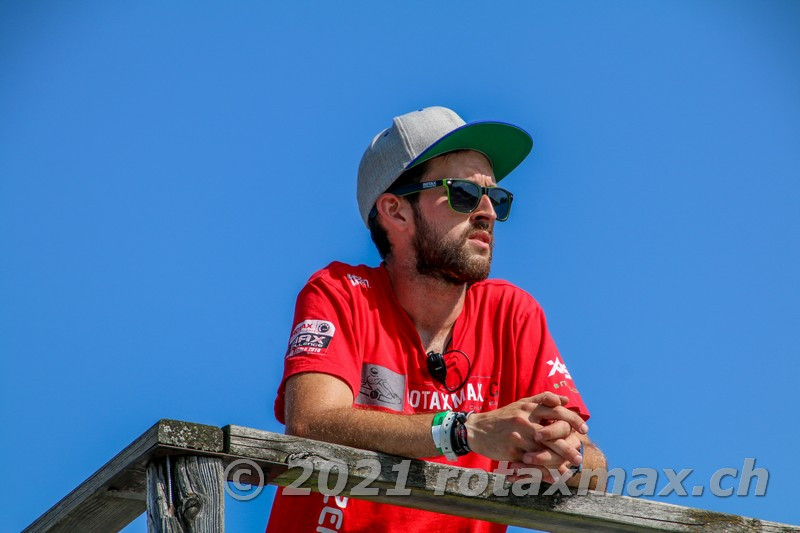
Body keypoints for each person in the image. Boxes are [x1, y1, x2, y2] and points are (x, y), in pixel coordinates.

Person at [266, 106, 607, 532]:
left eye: (497, 198)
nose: (487, 212)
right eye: (463, 193)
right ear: (396, 211)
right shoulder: (340, 292)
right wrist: (463, 431)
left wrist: (566, 458)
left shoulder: (513, 313)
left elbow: (594, 468)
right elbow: (311, 421)